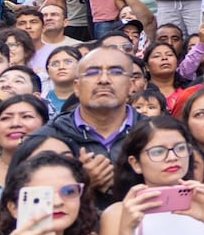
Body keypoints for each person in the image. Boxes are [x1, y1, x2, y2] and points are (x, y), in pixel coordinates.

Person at [31, 46, 137, 211]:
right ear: (76, 87)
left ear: (131, 86)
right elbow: (25, 207)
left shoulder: (154, 134)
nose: (103, 80)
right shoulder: (46, 139)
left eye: (115, 72)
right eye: (92, 72)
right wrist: (79, 183)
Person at [0, 92, 47, 223]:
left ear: (45, 125)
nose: (15, 124)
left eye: (26, 116)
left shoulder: (61, 171)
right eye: (5, 118)